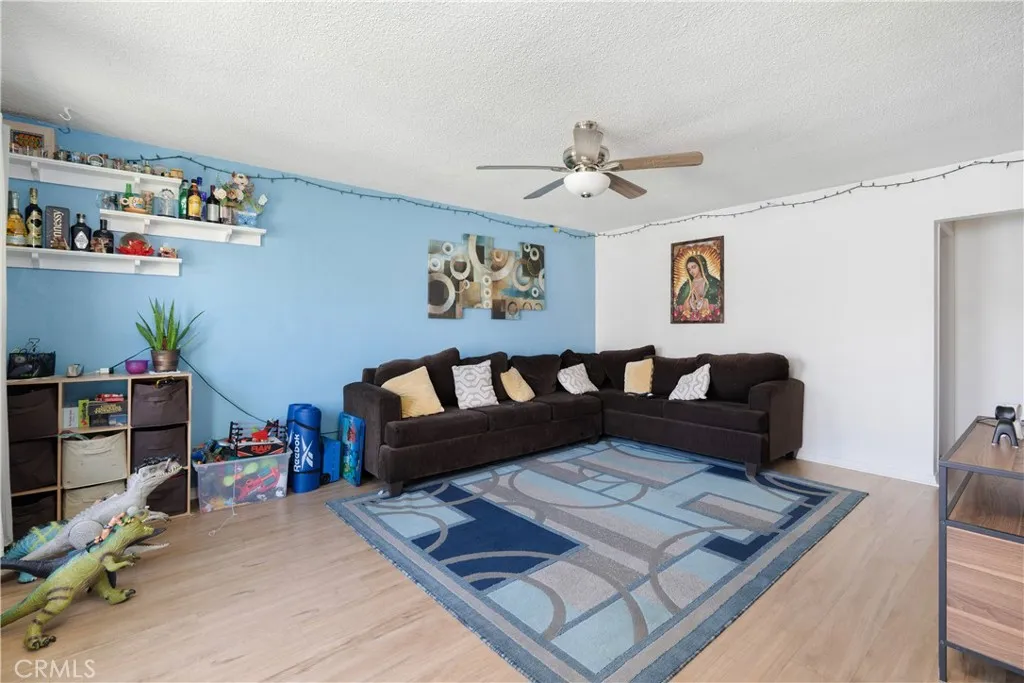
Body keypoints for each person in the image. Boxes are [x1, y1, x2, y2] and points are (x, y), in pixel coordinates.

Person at [675, 253, 721, 318]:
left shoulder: (713, 282)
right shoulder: (687, 285)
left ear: (701, 266)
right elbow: (680, 304)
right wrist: (689, 301)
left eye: (693, 267)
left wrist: (700, 300)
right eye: (689, 269)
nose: (691, 271)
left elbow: (716, 302)